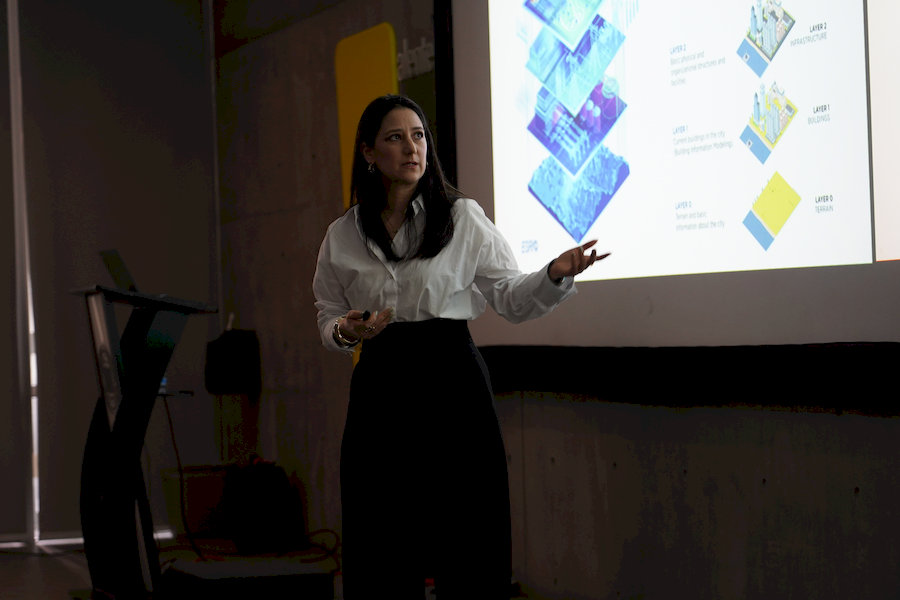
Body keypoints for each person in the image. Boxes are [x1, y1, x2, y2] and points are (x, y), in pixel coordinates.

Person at [312, 94, 608, 599]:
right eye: (395, 138)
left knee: (468, 537)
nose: (412, 148)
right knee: (381, 537)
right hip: (381, 383)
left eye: (419, 135)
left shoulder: (463, 217)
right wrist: (347, 331)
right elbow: (327, 314)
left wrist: (554, 274)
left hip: (452, 379)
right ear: (369, 152)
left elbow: (510, 297)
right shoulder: (342, 234)